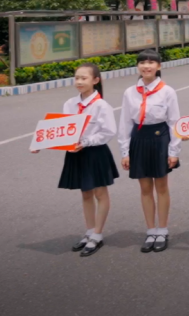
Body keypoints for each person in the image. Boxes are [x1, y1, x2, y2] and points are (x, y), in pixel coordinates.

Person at [32, 63, 118, 257]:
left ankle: (97, 234)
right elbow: (61, 130)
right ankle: (89, 231)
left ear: (95, 81)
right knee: (85, 193)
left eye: (84, 78)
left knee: (100, 193)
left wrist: (86, 141)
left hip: (95, 152)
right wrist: (40, 143)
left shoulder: (101, 105)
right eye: (77, 78)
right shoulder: (70, 103)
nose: (79, 81)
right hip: (76, 153)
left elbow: (108, 132)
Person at [117, 49, 182, 253]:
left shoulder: (167, 91)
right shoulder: (130, 92)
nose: (146, 66)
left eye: (151, 62)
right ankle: (150, 230)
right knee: (145, 188)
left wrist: (174, 150)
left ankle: (162, 230)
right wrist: (125, 151)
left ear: (159, 66)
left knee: (161, 187)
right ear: (138, 67)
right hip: (139, 139)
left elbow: (174, 122)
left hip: (159, 138)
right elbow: (125, 122)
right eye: (142, 62)